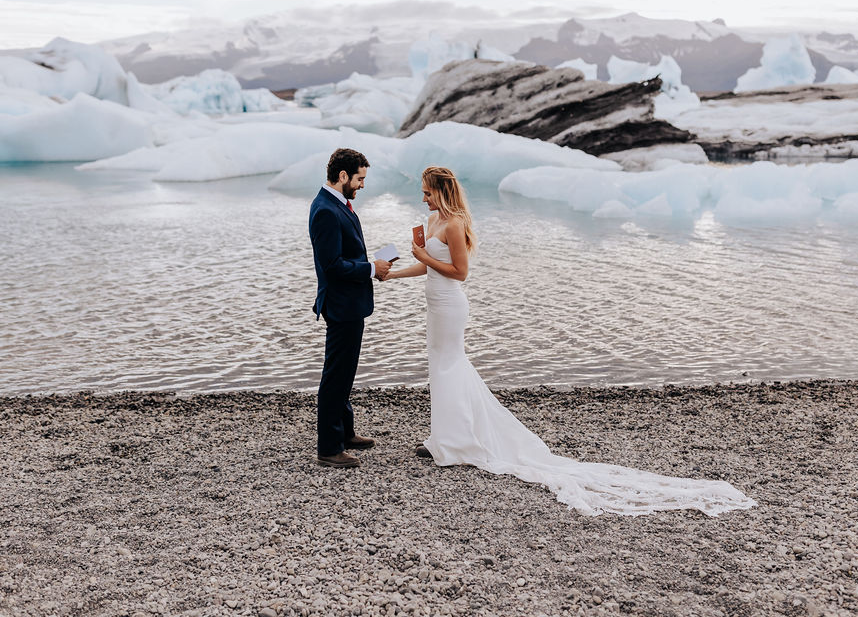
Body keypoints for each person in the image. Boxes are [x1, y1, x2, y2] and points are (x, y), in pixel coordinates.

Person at [383, 166, 756, 516]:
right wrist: (397, 273)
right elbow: (427, 264)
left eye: (428, 193)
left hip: (450, 303)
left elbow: (459, 273)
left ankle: (455, 443)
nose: (424, 200)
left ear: (442, 192)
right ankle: (444, 438)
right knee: (441, 367)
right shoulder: (432, 221)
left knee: (452, 366)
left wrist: (423, 257)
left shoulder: (456, 223)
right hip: (434, 304)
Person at [308, 148, 392, 468]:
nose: (361, 185)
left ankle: (344, 432)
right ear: (342, 176)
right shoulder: (326, 210)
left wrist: (373, 266)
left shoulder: (337, 204)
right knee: (335, 376)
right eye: (359, 179)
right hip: (341, 305)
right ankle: (329, 448)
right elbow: (331, 266)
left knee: (345, 374)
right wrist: (372, 268)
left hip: (350, 303)